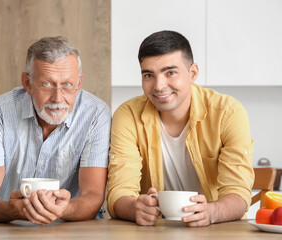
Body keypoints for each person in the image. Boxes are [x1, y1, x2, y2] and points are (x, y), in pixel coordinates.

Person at [107, 30, 254, 227]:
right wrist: (134, 208)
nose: (158, 86)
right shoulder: (128, 116)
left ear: (192, 73)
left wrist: (211, 212)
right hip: (153, 231)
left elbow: (238, 194)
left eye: (170, 73)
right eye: (149, 75)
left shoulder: (228, 113)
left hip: (217, 230)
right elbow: (119, 191)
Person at [0, 36, 111, 225]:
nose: (57, 98)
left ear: (79, 83)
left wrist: (64, 209)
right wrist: (13, 210)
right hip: (10, 226)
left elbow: (93, 197)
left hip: (72, 227)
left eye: (67, 84)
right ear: (27, 83)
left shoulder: (96, 114)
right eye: (47, 84)